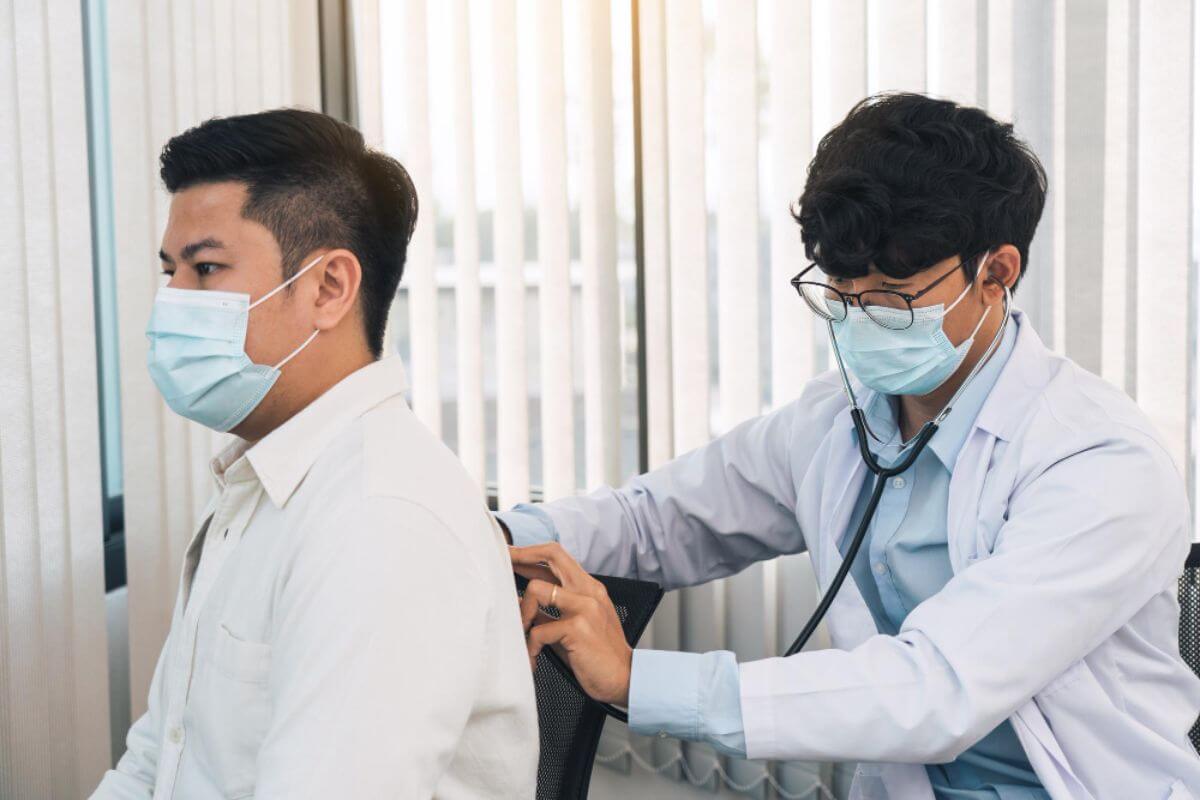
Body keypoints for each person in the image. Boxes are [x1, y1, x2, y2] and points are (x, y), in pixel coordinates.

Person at [501, 93, 1200, 798]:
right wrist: (491, 538)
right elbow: (659, 519)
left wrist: (637, 679)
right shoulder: (837, 420)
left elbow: (936, 689)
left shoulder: (1100, 462)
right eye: (839, 291)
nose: (856, 319)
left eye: (891, 298)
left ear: (996, 273)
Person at [92, 109, 537, 799]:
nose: (171, 302)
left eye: (205, 268)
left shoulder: (380, 520)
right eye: (169, 270)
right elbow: (158, 759)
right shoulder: (261, 481)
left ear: (329, 288)